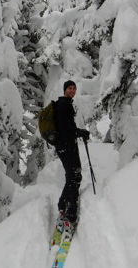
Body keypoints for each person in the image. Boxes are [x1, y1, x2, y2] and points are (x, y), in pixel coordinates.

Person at [54, 80, 90, 224]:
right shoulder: (64, 105)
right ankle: (71, 212)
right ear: (65, 90)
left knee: (72, 176)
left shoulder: (65, 104)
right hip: (67, 147)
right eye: (69, 88)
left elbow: (67, 128)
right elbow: (67, 129)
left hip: (65, 147)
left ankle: (63, 204)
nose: (72, 90)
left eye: (74, 88)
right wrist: (80, 132)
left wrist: (78, 132)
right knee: (75, 177)